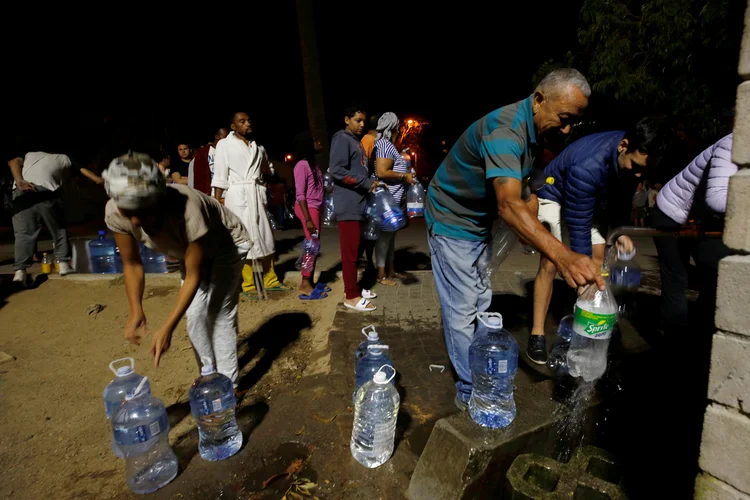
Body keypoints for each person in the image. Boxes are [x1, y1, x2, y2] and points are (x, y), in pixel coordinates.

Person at [425, 69, 603, 409]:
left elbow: (525, 193)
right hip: (450, 219)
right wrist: (563, 257)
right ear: (538, 100)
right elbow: (508, 204)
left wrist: (531, 227)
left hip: (478, 222)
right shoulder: (505, 130)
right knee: (461, 310)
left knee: (480, 300)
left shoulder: (536, 135)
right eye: (563, 119)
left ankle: (478, 371)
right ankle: (470, 392)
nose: (566, 131)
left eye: (572, 124)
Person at [529, 117, 669, 363]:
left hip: (588, 196)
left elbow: (621, 195)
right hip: (555, 193)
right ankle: (537, 333)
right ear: (623, 145)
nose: (638, 174)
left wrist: (621, 231)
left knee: (598, 258)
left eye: (644, 170)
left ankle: (590, 324)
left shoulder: (631, 159)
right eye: (635, 167)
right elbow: (578, 222)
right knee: (551, 262)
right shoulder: (587, 165)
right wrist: (579, 272)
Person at [102, 152, 251, 384]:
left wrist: (168, 326)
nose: (134, 221)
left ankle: (229, 388)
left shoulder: (187, 210)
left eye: (141, 210)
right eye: (127, 211)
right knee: (194, 317)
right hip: (188, 251)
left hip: (227, 245)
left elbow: (194, 275)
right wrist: (136, 310)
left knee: (218, 313)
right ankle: (209, 378)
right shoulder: (115, 210)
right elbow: (131, 264)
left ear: (157, 198)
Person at [653, 133, 735, 336]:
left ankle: (700, 335)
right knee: (676, 279)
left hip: (702, 221)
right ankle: (672, 340)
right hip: (671, 212)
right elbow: (716, 197)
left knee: (715, 279)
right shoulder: (732, 143)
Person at [212, 112, 290, 296]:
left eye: (248, 121)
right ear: (233, 126)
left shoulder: (258, 146)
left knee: (266, 236)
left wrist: (269, 175)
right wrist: (217, 202)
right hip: (237, 197)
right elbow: (220, 176)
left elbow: (267, 168)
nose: (247, 123)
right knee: (242, 239)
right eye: (242, 121)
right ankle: (248, 284)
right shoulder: (224, 145)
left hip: (256, 194)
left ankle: (270, 279)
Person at [9, 151, 103, 283]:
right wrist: (108, 182)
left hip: (21, 194)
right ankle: (63, 264)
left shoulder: (30, 155)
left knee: (23, 234)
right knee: (58, 228)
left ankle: (19, 273)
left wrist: (19, 181)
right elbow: (95, 179)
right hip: (45, 190)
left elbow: (13, 162)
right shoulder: (67, 158)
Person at [328, 103, 381, 311]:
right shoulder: (342, 138)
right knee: (350, 253)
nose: (361, 125)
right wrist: (366, 183)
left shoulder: (355, 141)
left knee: (357, 250)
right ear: (346, 120)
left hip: (358, 203)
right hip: (348, 204)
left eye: (363, 121)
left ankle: (354, 287)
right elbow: (337, 171)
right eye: (357, 120)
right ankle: (350, 296)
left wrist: (370, 183)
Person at [373, 112, 415, 286]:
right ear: (393, 128)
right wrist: (404, 177)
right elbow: (382, 172)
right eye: (398, 127)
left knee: (390, 238)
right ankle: (381, 275)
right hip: (387, 202)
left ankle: (390, 270)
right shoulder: (384, 144)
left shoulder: (387, 145)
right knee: (384, 238)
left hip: (394, 201)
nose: (399, 131)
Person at [293, 131, 328, 299]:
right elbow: (300, 195)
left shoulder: (313, 165)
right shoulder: (301, 165)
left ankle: (310, 281)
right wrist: (308, 219)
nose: (319, 143)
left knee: (314, 246)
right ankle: (305, 284)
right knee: (311, 246)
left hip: (315, 208)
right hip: (308, 209)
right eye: (315, 140)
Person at [190, 128, 229, 195]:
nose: (228, 139)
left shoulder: (229, 152)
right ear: (217, 136)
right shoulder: (203, 153)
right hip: (211, 195)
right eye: (225, 136)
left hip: (228, 194)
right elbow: (198, 178)